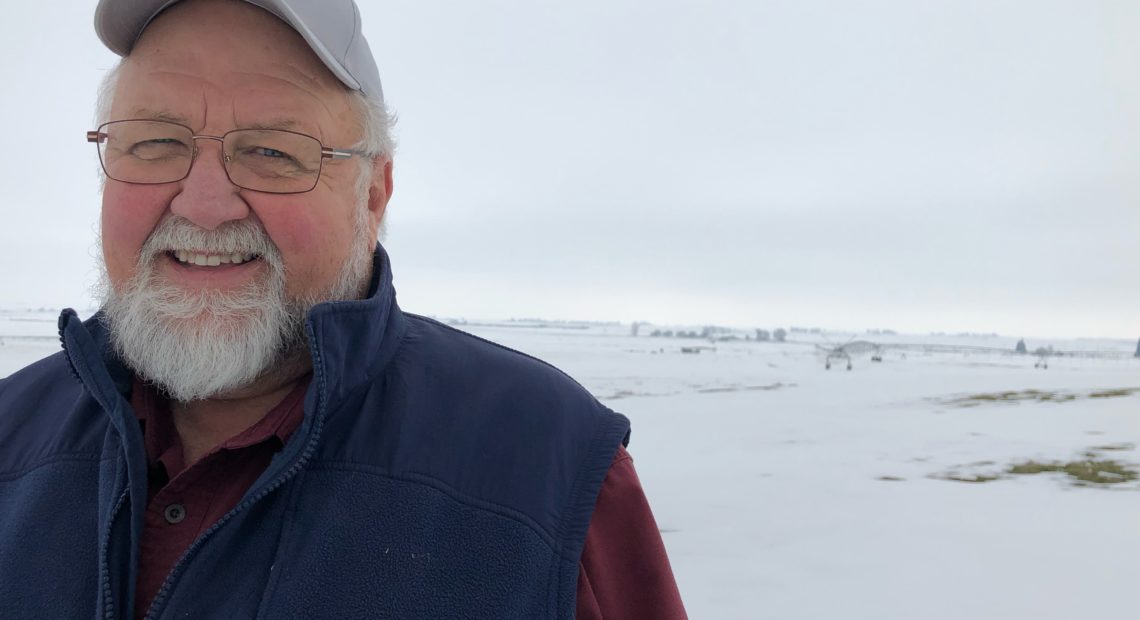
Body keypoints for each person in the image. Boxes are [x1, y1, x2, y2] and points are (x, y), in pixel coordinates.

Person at [0, 0, 685, 618]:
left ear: (373, 197)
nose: (203, 205)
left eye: (272, 150)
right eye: (154, 143)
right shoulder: (11, 438)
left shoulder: (551, 470)